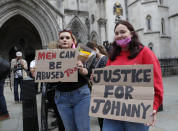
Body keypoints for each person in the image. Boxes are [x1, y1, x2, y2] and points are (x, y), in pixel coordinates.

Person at [102, 20, 163, 131]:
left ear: (131, 33)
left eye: (123, 32)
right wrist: (99, 80)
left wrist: (154, 107)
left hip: (137, 113)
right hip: (113, 112)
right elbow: (107, 83)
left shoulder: (145, 52)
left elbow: (157, 83)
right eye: (116, 33)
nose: (119, 35)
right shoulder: (112, 56)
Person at [54, 30, 91, 131]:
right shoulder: (52, 57)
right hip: (62, 97)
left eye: (67, 38)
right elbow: (50, 80)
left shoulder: (82, 53)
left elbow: (90, 72)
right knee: (70, 129)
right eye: (62, 38)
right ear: (58, 42)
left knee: (83, 128)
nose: (64, 40)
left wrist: (82, 69)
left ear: (72, 41)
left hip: (81, 95)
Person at [0, 56, 10, 121]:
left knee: (0, 96)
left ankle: (5, 114)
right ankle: (3, 112)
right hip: (2, 78)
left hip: (1, 79)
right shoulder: (3, 61)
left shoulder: (2, 63)